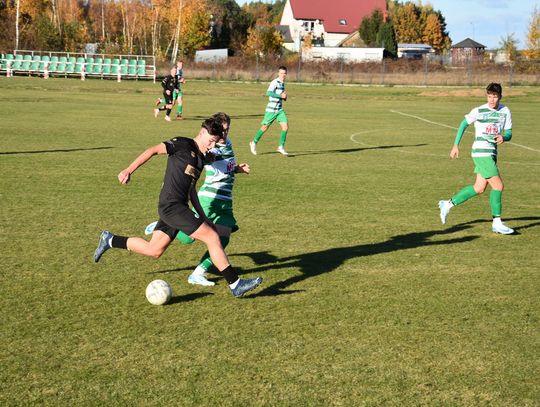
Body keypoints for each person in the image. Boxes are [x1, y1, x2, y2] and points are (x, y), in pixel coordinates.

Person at [93, 117, 263, 298]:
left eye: (215, 142)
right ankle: (235, 284)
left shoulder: (200, 159)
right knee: (213, 237)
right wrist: (128, 170)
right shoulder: (182, 144)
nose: (212, 146)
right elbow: (152, 150)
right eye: (211, 141)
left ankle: (110, 239)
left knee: (154, 250)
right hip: (171, 207)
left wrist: (204, 217)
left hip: (178, 207)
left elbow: (191, 191)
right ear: (202, 133)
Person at [145, 112, 249, 287]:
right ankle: (161, 225)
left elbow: (223, 168)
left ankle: (198, 273)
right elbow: (199, 161)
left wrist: (237, 169)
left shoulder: (227, 143)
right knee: (190, 238)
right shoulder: (210, 148)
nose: (224, 134)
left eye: (227, 130)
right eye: (222, 130)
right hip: (210, 198)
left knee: (223, 237)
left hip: (225, 200)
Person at [438, 82, 514, 235]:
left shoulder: (505, 111)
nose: (491, 99)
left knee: (479, 188)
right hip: (481, 152)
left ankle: (448, 204)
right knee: (498, 186)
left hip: (492, 153)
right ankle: (497, 223)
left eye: (495, 96)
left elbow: (509, 132)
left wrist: (504, 137)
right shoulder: (479, 110)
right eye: (489, 96)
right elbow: (463, 124)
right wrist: (455, 145)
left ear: (500, 96)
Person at [249, 66, 289, 156]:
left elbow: (280, 96)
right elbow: (268, 93)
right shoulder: (275, 82)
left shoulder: (282, 83)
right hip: (271, 110)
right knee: (264, 127)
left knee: (285, 127)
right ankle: (253, 142)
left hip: (279, 110)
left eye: (285, 73)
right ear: (278, 73)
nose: (283, 75)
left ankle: (280, 147)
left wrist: (284, 97)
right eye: (281, 73)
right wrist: (281, 96)